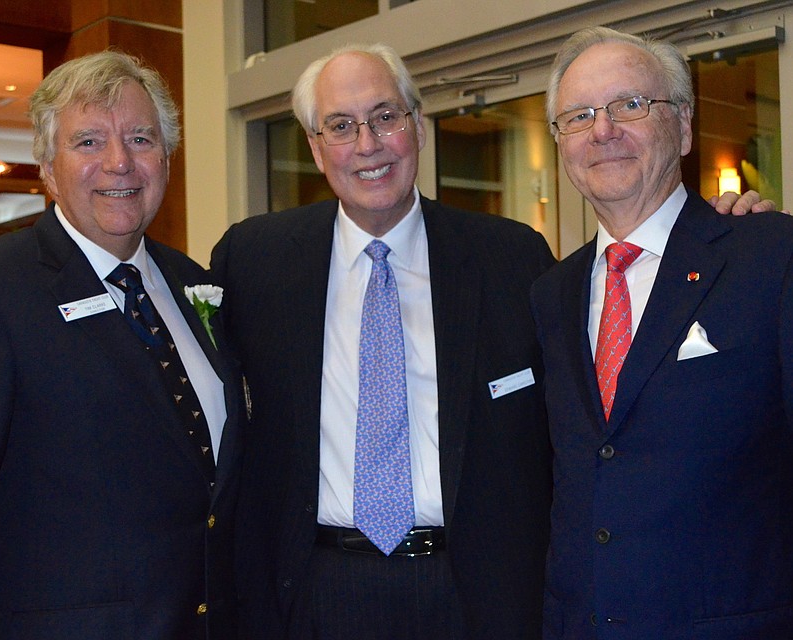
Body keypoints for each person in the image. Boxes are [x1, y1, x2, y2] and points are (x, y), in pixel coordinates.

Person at [209, 43, 768, 639]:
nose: (367, 144)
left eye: (386, 117)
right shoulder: (252, 261)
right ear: (316, 149)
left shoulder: (515, 259)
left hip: (476, 594)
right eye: (340, 126)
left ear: (417, 128)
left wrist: (712, 232)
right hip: (314, 592)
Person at [0, 51, 244, 640]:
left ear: (166, 157)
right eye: (88, 142)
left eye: (140, 138)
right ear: (48, 167)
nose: (120, 162)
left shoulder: (190, 283)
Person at [531, 26, 793, 639]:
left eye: (631, 105)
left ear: (683, 127)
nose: (603, 130)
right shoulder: (551, 293)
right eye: (579, 115)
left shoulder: (771, 257)